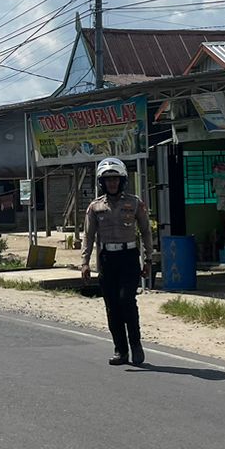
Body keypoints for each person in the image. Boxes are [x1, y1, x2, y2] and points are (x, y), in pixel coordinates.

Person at [80, 156, 153, 367]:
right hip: (107, 260)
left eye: (116, 179)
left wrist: (148, 259)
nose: (112, 183)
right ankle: (120, 350)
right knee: (112, 305)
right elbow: (88, 236)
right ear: (101, 183)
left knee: (126, 300)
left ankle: (136, 344)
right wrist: (85, 263)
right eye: (108, 180)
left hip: (129, 257)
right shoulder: (95, 207)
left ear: (122, 181)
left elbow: (146, 231)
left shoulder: (135, 203)